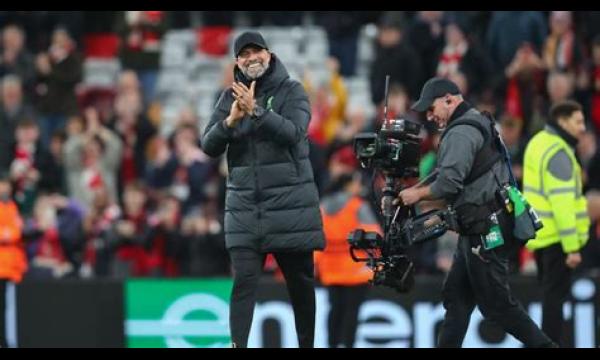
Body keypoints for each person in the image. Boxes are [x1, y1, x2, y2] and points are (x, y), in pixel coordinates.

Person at [395, 77, 556, 348]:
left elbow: (448, 183)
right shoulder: (476, 120)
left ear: (450, 99)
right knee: (456, 298)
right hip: (478, 226)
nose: (429, 116)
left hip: (485, 229)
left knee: (497, 306)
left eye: (431, 108)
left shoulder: (460, 132)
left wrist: (416, 194)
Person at [201, 31, 324, 348]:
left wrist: (256, 110)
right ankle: (237, 345)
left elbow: (294, 133)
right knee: (243, 282)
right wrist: (229, 122)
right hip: (246, 210)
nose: (252, 58)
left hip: (289, 207)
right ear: (237, 62)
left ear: (269, 54)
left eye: (257, 52)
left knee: (300, 285)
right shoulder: (229, 98)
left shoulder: (292, 91)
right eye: (245, 54)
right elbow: (208, 146)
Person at [522, 100, 590, 346]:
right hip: (558, 239)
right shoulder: (559, 152)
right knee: (554, 301)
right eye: (578, 121)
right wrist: (572, 247)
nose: (583, 128)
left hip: (539, 235)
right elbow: (562, 205)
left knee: (550, 297)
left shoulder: (538, 142)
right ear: (562, 122)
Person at [315, 167, 381, 348]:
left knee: (335, 311)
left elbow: (316, 238)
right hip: (356, 269)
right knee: (352, 313)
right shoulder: (358, 206)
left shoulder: (322, 207)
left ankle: (332, 344)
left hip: (330, 269)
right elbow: (375, 235)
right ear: (348, 185)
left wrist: (317, 264)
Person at [0, 174, 27, 347]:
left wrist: (7, 234)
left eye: (5, 185)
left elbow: (16, 232)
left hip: (10, 269)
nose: (3, 189)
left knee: (9, 309)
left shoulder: (12, 206)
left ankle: (7, 342)